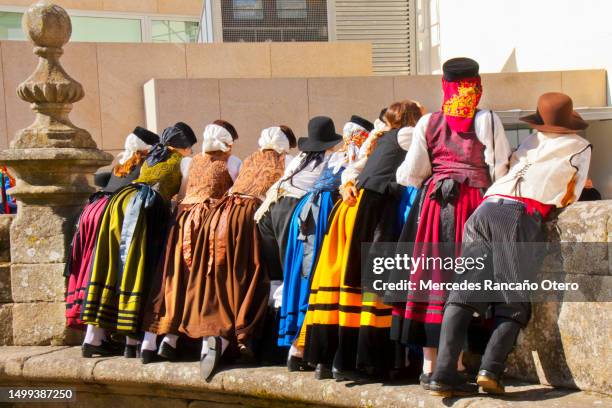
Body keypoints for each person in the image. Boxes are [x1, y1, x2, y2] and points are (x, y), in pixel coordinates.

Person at [429, 92, 592, 397]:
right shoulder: (580, 146)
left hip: (485, 208)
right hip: (517, 214)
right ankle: (490, 370)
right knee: (513, 302)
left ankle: (443, 374)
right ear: (569, 121)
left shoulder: (531, 141)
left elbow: (505, 169)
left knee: (464, 293)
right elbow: (573, 193)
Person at [393, 57, 511, 389]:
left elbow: (413, 172)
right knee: (466, 280)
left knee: (434, 278)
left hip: (434, 207)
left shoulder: (428, 122)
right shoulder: (486, 119)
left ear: (444, 86)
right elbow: (499, 165)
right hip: (473, 205)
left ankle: (430, 366)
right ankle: (455, 365)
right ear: (477, 85)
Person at [302, 101, 423, 381]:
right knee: (372, 285)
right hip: (377, 211)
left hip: (351, 209)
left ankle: (333, 359)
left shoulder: (379, 138)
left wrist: (346, 187)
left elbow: (351, 171)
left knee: (345, 284)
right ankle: (367, 361)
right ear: (411, 119)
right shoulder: (406, 135)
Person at [186, 126, 296, 380]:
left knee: (215, 273)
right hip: (247, 215)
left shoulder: (248, 158)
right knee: (249, 274)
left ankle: (214, 335)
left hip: (219, 212)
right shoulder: (285, 160)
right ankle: (243, 335)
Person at [80, 122, 197, 358]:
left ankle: (93, 337)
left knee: (111, 266)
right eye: (190, 147)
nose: (191, 152)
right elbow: (182, 196)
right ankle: (134, 341)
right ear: (184, 147)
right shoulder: (183, 161)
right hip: (145, 208)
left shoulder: (153, 154)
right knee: (141, 268)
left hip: (120, 202)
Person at [140, 120, 241, 363]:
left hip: (183, 220)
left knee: (173, 278)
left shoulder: (190, 161)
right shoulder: (232, 162)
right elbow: (237, 193)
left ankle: (158, 341)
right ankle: (203, 341)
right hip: (210, 224)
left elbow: (182, 193)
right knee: (204, 281)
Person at [280, 116, 373, 371]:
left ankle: (298, 351)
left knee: (307, 276)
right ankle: (319, 353)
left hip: (306, 209)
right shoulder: (359, 157)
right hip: (329, 211)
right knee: (326, 280)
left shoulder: (333, 157)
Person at [65, 127, 159, 331]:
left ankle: (94, 330)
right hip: (112, 212)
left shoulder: (122, 163)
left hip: (93, 209)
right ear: (148, 149)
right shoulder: (144, 164)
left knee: (95, 261)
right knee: (107, 264)